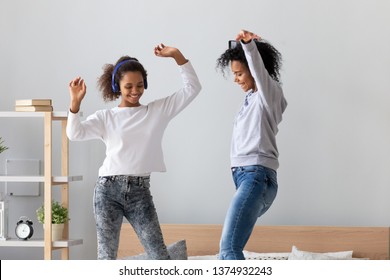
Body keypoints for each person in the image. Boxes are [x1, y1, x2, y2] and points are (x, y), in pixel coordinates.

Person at [66, 43, 201, 260]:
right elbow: (75, 134)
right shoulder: (105, 117)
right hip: (107, 191)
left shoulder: (157, 111)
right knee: (106, 257)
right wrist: (75, 104)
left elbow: (193, 88)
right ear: (117, 86)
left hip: (140, 192)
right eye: (129, 86)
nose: (135, 91)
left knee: (160, 258)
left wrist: (177, 55)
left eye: (140, 85)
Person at [216, 30, 287, 260]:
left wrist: (248, 45)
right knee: (226, 252)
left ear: (255, 70)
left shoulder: (270, 95)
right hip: (245, 178)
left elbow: (258, 69)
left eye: (238, 73)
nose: (235, 79)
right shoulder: (251, 99)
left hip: (256, 176)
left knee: (228, 250)